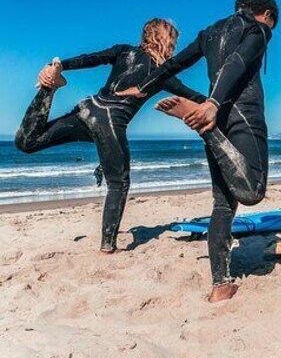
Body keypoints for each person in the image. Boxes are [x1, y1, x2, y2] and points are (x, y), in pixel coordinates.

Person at [116, 0, 277, 303]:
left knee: (222, 203)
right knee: (253, 190)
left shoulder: (209, 33)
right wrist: (214, 105)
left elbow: (172, 65)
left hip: (211, 113)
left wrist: (143, 87)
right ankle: (207, 131)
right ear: (266, 14)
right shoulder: (258, 29)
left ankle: (221, 284)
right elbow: (238, 60)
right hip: (237, 114)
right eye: (272, 22)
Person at [15, 19, 205, 253]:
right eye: (172, 43)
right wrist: (217, 104)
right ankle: (108, 246)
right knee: (119, 182)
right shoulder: (162, 73)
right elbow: (195, 97)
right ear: (162, 40)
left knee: (27, 142)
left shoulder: (123, 50)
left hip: (87, 110)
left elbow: (92, 58)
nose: (173, 49)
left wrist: (60, 66)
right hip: (109, 122)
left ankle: (49, 88)